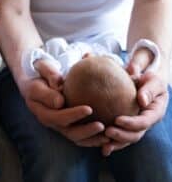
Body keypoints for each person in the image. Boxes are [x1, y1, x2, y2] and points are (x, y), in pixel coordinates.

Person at [0, 0, 172, 181]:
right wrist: (31, 73)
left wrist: (153, 70)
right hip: (36, 57)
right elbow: (13, 10)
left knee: (159, 156)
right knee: (57, 161)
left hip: (118, 57)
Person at [22, 37, 159, 125]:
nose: (88, 55)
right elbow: (148, 48)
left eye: (85, 61)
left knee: (55, 44)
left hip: (57, 46)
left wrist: (43, 66)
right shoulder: (119, 64)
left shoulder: (61, 69)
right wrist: (138, 64)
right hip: (104, 41)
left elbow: (32, 56)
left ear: (62, 86)